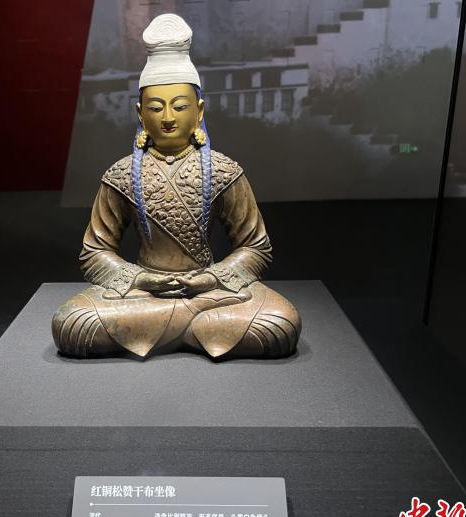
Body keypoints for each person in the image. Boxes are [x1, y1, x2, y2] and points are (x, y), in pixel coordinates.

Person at [52, 14, 301, 359]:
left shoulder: (224, 171)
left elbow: (255, 247)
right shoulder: (121, 174)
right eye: (156, 107)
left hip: (208, 291)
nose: (168, 117)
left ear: (199, 112)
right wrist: (141, 279)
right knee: (72, 323)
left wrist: (211, 279)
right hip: (145, 294)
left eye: (180, 106)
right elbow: (94, 252)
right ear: (140, 115)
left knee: (280, 322)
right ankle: (195, 329)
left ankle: (167, 329)